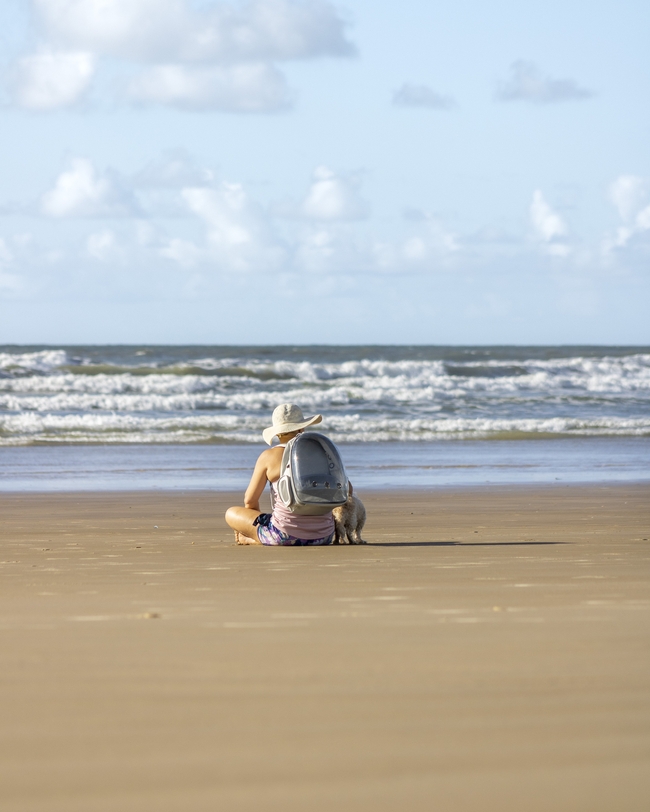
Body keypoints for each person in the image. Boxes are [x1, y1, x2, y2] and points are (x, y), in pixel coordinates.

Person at [225, 403, 350, 546]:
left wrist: (253, 526)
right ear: (302, 427)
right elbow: (346, 491)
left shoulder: (269, 456)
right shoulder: (322, 452)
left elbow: (250, 500)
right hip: (325, 535)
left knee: (231, 513)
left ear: (277, 432)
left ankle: (254, 537)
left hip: (283, 535)